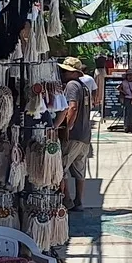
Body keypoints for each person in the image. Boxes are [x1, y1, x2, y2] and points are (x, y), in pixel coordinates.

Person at [58, 58, 95, 209]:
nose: (62, 73)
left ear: (72, 72)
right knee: (80, 171)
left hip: (74, 135)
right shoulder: (84, 86)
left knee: (61, 168)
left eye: (65, 70)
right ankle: (79, 201)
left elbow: (72, 107)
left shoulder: (72, 85)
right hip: (85, 135)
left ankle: (66, 200)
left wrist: (67, 126)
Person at [118, 62, 132, 133]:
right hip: (127, 99)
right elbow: (118, 88)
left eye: (131, 75)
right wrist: (124, 92)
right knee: (126, 113)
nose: (130, 77)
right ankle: (126, 127)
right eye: (128, 75)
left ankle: (131, 127)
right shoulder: (124, 82)